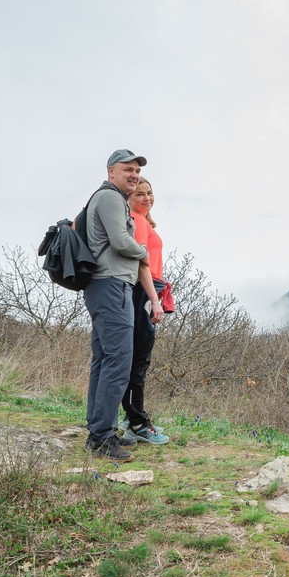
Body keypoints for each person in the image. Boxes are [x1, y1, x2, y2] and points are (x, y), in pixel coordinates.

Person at [84, 150, 164, 462]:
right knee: (118, 360)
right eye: (127, 170)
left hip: (104, 284)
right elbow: (120, 241)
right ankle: (102, 437)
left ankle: (98, 430)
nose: (133, 175)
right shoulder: (110, 198)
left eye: (136, 170)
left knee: (104, 359)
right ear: (111, 171)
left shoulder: (109, 199)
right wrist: (142, 251)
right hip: (112, 284)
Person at [119, 177, 170, 444]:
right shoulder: (136, 221)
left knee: (139, 360)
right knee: (138, 362)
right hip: (142, 291)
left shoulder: (144, 220)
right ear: (129, 198)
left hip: (148, 291)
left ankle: (133, 419)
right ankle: (136, 422)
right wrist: (154, 298)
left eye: (149, 193)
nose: (147, 198)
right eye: (140, 194)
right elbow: (140, 263)